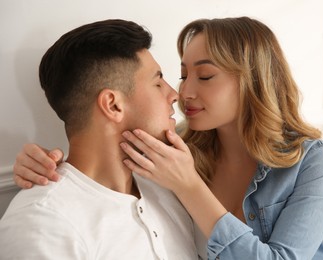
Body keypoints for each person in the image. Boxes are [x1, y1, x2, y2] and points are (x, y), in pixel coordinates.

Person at [12, 17, 323, 259]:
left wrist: (190, 186)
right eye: (178, 75)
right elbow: (91, 158)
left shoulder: (309, 159)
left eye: (204, 75)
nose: (181, 92)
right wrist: (38, 162)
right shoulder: (172, 152)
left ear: (253, 81)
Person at [1, 19, 198, 259]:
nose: (174, 94)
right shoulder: (42, 225)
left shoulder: (167, 182)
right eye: (158, 82)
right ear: (113, 105)